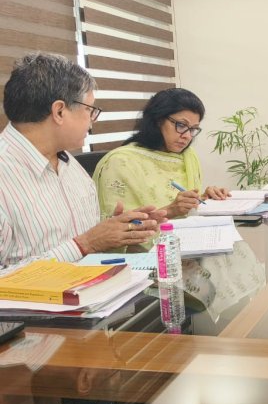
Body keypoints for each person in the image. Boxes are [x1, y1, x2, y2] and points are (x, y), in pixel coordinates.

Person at [0, 53, 163, 268]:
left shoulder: (69, 164)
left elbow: (89, 249)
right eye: (89, 110)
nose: (92, 122)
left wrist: (115, 235)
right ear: (59, 111)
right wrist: (85, 244)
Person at [93, 88, 229, 220]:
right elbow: (116, 227)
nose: (187, 136)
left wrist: (204, 199)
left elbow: (186, 212)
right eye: (181, 125)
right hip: (151, 236)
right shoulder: (121, 162)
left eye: (193, 129)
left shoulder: (188, 156)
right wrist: (170, 211)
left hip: (190, 232)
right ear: (158, 120)